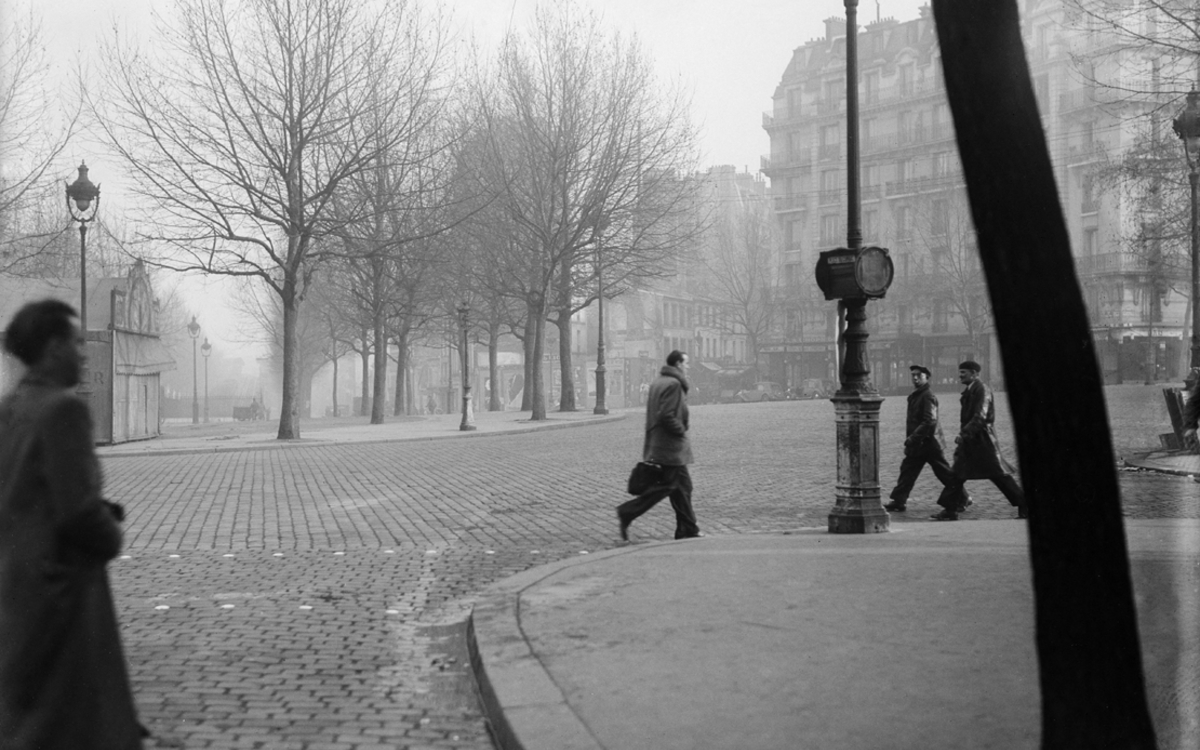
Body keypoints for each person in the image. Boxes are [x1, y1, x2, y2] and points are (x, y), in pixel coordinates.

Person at [0, 300, 144, 749]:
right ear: (53, 347)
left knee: (29, 714)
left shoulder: (10, 406)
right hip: (64, 586)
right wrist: (111, 532)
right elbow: (78, 512)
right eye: (78, 343)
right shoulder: (64, 411)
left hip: (17, 581)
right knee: (76, 719)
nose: (84, 353)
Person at [617, 350, 701, 542]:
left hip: (660, 443)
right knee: (670, 486)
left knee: (683, 487)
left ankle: (687, 529)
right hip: (671, 446)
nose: (687, 366)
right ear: (678, 364)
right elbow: (666, 415)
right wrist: (680, 430)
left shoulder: (659, 381)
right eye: (686, 363)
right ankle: (627, 511)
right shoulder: (673, 384)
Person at [932, 360, 1027, 521]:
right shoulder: (972, 390)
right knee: (957, 474)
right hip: (973, 440)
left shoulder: (982, 389)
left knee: (998, 475)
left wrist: (964, 434)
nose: (960, 375)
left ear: (974, 374)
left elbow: (980, 416)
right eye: (960, 372)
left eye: (964, 372)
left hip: (983, 440)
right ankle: (950, 509)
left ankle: (1024, 504)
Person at [884, 365, 969, 513]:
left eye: (919, 375)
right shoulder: (917, 394)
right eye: (913, 375)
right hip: (919, 443)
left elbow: (929, 421)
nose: (915, 378)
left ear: (926, 378)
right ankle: (899, 500)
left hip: (928, 442)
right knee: (907, 470)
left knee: (944, 473)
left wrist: (913, 438)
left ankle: (963, 498)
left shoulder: (927, 395)